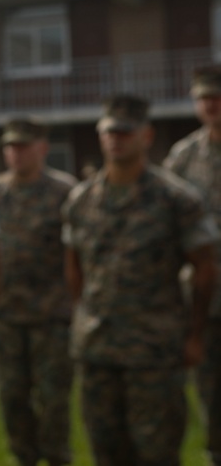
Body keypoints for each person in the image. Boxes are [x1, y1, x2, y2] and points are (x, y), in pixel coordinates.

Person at [64, 94, 217, 466]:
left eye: (126, 133)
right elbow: (74, 266)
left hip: (154, 351)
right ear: (101, 136)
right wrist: (85, 316)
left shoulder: (176, 199)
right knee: (107, 452)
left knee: (157, 453)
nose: (117, 140)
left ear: (146, 136)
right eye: (110, 132)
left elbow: (206, 268)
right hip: (98, 350)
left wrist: (194, 334)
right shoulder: (81, 200)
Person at [0, 119, 76, 466]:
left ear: (42, 148)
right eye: (10, 146)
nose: (16, 153)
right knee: (12, 398)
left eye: (23, 146)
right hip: (7, 317)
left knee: (53, 402)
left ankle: (57, 458)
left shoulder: (65, 192)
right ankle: (25, 458)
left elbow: (76, 256)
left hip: (52, 316)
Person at [163, 66, 221, 466]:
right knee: (211, 386)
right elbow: (164, 220)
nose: (211, 105)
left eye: (216, 97)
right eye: (203, 98)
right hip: (207, 295)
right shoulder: (184, 157)